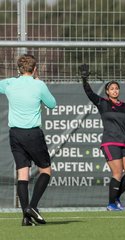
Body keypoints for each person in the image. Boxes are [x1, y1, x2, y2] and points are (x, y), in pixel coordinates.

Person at [79, 64, 125, 211]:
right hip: (110, 143)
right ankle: (111, 204)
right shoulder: (102, 103)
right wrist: (84, 79)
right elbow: (89, 93)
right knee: (117, 172)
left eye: (116, 88)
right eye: (112, 88)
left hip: (124, 144)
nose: (115, 90)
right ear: (107, 91)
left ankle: (115, 198)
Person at [0, 54, 57, 226]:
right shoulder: (38, 84)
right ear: (34, 69)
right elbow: (52, 104)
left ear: (18, 69)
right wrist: (37, 80)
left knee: (22, 173)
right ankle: (32, 206)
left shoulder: (9, 83)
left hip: (15, 134)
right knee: (46, 171)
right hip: (32, 133)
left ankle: (26, 217)